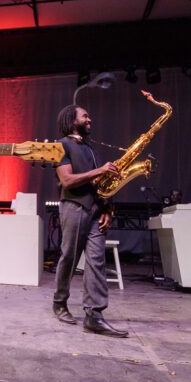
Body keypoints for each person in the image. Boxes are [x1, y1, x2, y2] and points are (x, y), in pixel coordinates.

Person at [51, 105, 126, 337]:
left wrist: (108, 208)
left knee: (96, 261)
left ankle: (94, 315)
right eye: (85, 115)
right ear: (72, 121)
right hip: (74, 206)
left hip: (95, 210)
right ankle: (60, 302)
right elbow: (67, 180)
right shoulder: (61, 146)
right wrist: (99, 171)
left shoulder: (92, 150)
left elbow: (102, 185)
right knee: (69, 257)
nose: (89, 118)